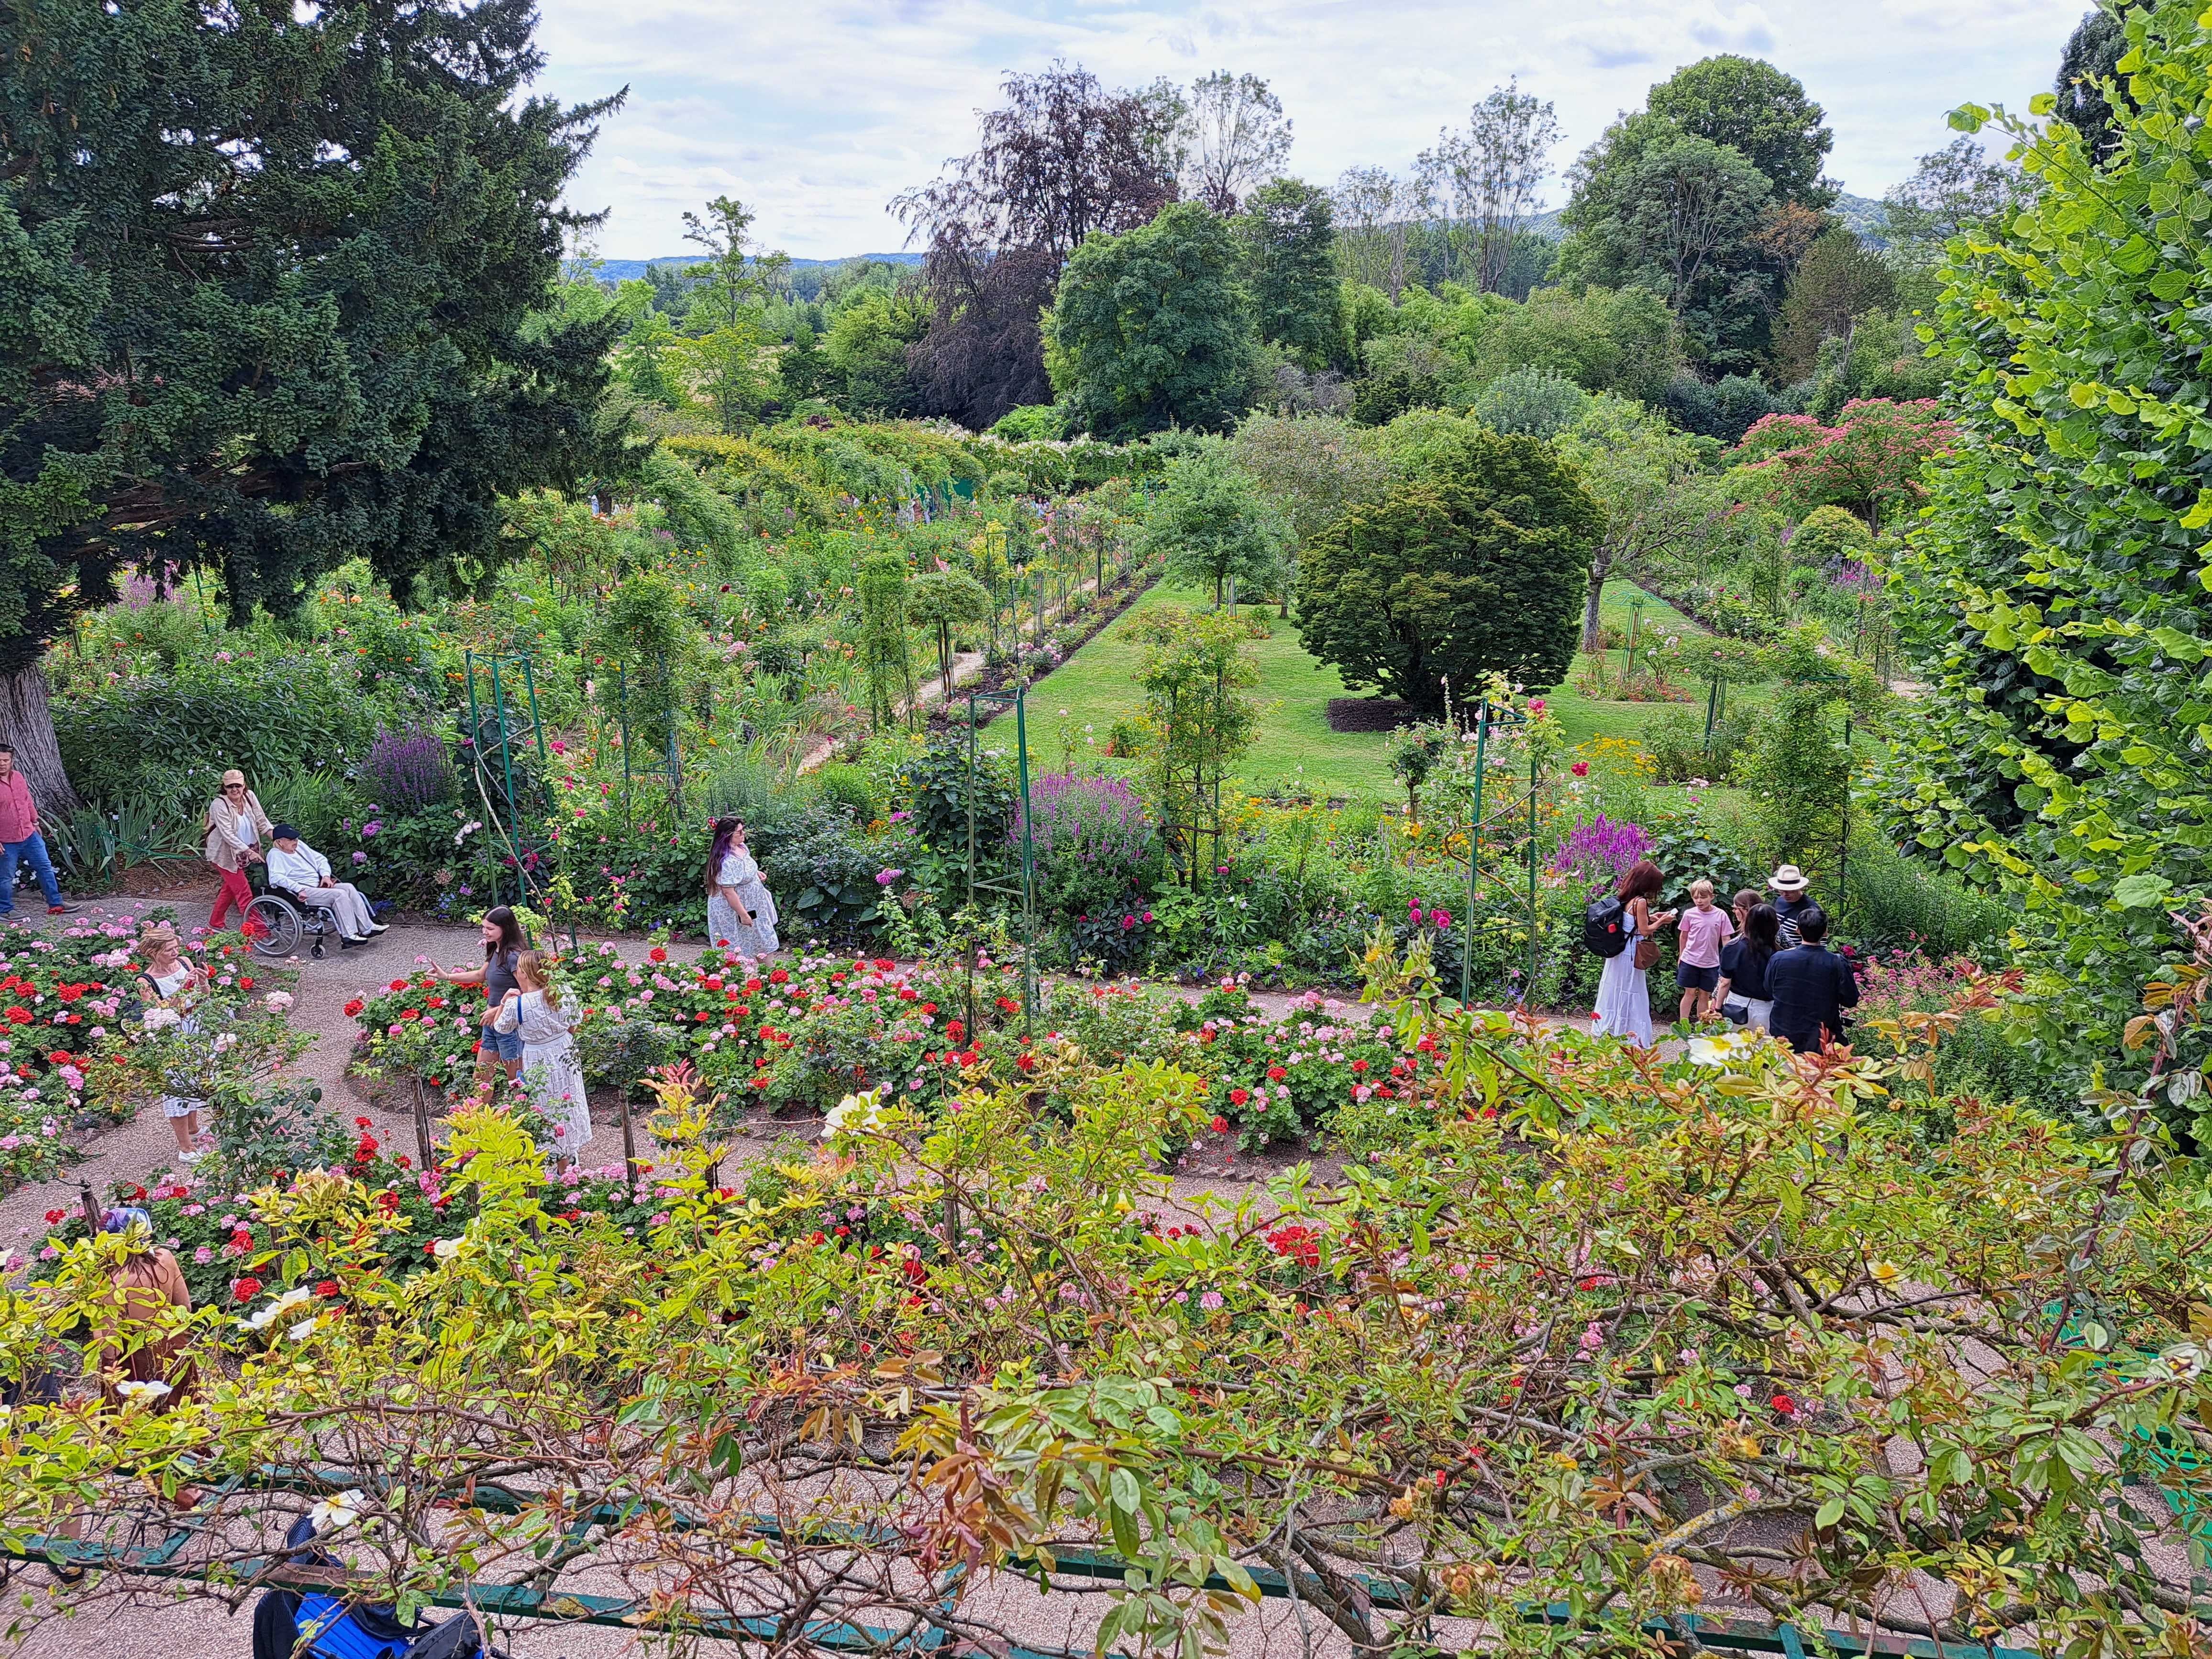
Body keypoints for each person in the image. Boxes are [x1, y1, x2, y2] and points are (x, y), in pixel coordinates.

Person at [491, 950, 591, 1174]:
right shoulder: (563, 991)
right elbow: (575, 1024)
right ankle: (569, 1155)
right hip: (565, 1049)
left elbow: (500, 1028)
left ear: (525, 974)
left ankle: (555, 1160)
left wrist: (503, 1003)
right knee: (569, 1098)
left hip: (537, 1056)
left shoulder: (519, 1004)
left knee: (544, 1104)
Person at [88, 1208, 194, 1410]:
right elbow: (185, 1306)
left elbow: (109, 1343)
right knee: (181, 1408)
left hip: (133, 1356)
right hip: (170, 1341)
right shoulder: (166, 1258)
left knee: (135, 1420)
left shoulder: (107, 1280)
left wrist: (109, 1369)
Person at [136, 925, 213, 1159]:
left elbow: (205, 997)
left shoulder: (186, 962)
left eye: (176, 948)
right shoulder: (145, 981)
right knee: (177, 1088)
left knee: (196, 1081)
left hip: (196, 1028)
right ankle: (186, 1148)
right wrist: (184, 987)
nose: (175, 952)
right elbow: (158, 1013)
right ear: (153, 952)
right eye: (169, 950)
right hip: (173, 1036)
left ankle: (194, 1129)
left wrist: (202, 982)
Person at [442, 907, 530, 1094]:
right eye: (483, 927)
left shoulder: (514, 956)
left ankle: (525, 1117)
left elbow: (528, 992)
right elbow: (481, 975)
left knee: (516, 1081)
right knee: (481, 1077)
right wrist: (447, 976)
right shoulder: (496, 949)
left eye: (490, 928)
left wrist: (497, 1010)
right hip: (491, 1023)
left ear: (505, 928)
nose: (485, 932)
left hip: (510, 1025)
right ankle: (479, 1119)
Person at [1593, 860, 1675, 1047]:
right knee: (1632, 989)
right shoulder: (1642, 901)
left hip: (1619, 952)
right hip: (1631, 953)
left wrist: (1653, 917)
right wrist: (1664, 921)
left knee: (1615, 987)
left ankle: (1611, 1027)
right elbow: (1645, 931)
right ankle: (1630, 1032)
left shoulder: (1627, 898)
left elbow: (1633, 922)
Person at [1766, 904, 1859, 1055]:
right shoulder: (1836, 962)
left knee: (1785, 1075)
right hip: (1822, 1037)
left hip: (1784, 1033)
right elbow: (1850, 1000)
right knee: (1820, 1077)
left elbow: (1769, 989)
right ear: (1825, 932)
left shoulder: (1779, 959)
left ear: (1799, 931)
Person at [266, 825, 384, 945]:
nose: (295, 842)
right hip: (302, 891)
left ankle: (367, 928)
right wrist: (298, 888)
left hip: (317, 885)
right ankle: (349, 935)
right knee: (339, 895)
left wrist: (326, 875)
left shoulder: (300, 846)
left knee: (348, 888)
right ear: (280, 842)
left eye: (296, 839)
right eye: (291, 840)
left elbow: (320, 860)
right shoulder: (276, 855)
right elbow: (276, 878)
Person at [0, 745, 77, 918]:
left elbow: (27, 800)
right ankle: (4, 910)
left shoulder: (18, 777)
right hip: (6, 840)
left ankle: (56, 903)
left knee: (45, 867)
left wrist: (35, 822)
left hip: (29, 835)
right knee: (5, 877)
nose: (2, 764)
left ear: (12, 761)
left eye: (6, 760)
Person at [204, 769, 272, 933]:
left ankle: (215, 924)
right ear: (224, 788)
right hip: (224, 855)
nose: (234, 790)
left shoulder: (250, 797)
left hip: (245, 852)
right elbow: (228, 835)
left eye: (238, 786)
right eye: (230, 787)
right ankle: (260, 932)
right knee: (244, 892)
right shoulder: (219, 805)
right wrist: (250, 852)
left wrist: (280, 839)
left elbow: (263, 823)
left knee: (230, 888)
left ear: (244, 786)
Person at [705, 817, 779, 961]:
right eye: (739, 832)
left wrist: (755, 873)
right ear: (727, 837)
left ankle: (771, 976)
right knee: (737, 944)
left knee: (761, 936)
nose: (744, 833)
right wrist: (744, 915)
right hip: (735, 908)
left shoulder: (742, 847)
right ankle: (741, 978)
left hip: (754, 904)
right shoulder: (725, 861)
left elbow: (744, 867)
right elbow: (728, 892)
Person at [1674, 879, 1735, 1025]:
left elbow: (1726, 939)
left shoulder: (1721, 915)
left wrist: (1726, 961)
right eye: (1696, 898)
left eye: (1703, 897)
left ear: (1712, 897)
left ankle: (1702, 1024)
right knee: (1689, 993)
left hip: (1711, 963)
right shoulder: (1689, 914)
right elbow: (1684, 935)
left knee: (1705, 995)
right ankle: (1684, 1025)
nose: (1699, 901)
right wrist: (1681, 954)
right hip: (1690, 960)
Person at [1715, 900, 1780, 1033]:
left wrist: (1717, 1009)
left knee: (1733, 1048)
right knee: (1764, 1051)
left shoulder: (1732, 948)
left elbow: (1725, 983)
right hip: (1766, 1009)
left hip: (1736, 1005)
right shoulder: (1777, 954)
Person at [1768, 863, 1815, 948]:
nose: (1785, 895)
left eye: (1789, 891)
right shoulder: (1779, 901)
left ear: (1800, 888)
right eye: (1782, 891)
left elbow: (1819, 942)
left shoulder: (1812, 910)